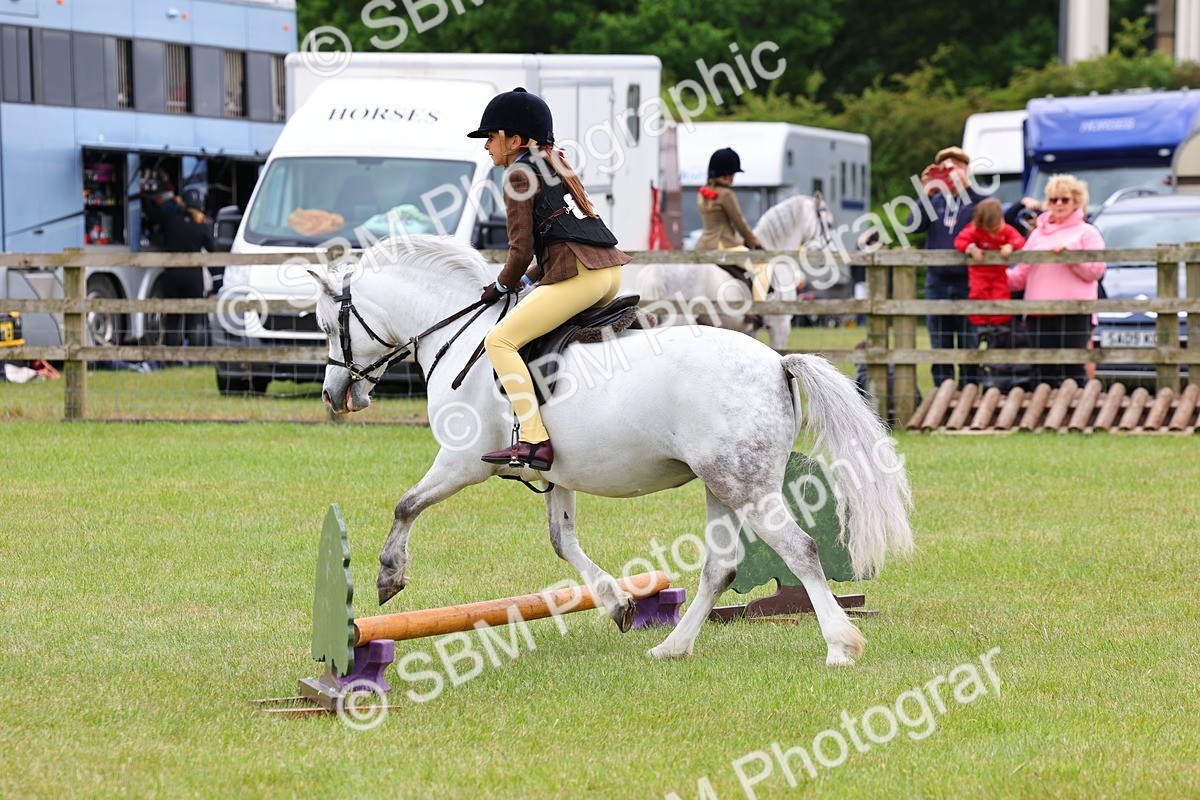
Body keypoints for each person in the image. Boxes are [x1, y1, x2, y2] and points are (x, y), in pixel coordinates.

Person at [469, 88, 630, 471]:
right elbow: (558, 238)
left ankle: (534, 440)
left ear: (515, 140)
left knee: (500, 341)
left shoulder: (517, 174)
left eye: (491, 137)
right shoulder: (555, 164)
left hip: (582, 275)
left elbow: (521, 249)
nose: (487, 145)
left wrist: (503, 285)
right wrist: (527, 281)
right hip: (608, 271)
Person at [1007, 174, 1105, 388]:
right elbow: (1021, 275)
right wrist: (994, 274)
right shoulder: (1036, 235)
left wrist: (1071, 258)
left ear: (1076, 201)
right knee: (1042, 371)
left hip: (1074, 313)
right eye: (1053, 200)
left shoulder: (1088, 233)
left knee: (1073, 369)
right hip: (1038, 314)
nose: (1059, 204)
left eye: (1065, 199)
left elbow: (1096, 271)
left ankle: (1077, 408)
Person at [908, 146, 988, 387]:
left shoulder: (975, 200)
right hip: (937, 283)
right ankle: (942, 391)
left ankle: (969, 392)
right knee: (939, 343)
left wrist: (967, 186)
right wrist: (925, 193)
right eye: (945, 169)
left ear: (966, 170)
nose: (950, 174)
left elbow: (990, 215)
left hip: (968, 282)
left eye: (956, 168)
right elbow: (912, 226)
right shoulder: (935, 200)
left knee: (969, 342)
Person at [144, 191, 215, 347]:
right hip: (193, 276)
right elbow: (212, 247)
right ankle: (194, 355)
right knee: (193, 319)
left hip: (173, 275)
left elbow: (152, 214)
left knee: (172, 318)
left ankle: (172, 356)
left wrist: (146, 198)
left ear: (183, 203)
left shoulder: (172, 219)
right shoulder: (202, 225)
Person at [954, 198, 1026, 329]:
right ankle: (980, 325)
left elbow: (1019, 240)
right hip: (979, 274)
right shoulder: (974, 230)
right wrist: (971, 248)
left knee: (1001, 295)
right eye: (990, 228)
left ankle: (999, 324)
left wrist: (1010, 245)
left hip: (999, 273)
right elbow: (960, 240)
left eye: (996, 226)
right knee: (978, 295)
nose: (994, 231)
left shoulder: (1006, 230)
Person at [695, 148, 762, 251]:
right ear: (726, 175)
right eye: (732, 174)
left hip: (703, 245)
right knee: (754, 260)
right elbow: (739, 223)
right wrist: (755, 244)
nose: (733, 178)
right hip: (723, 244)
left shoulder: (703, 192)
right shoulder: (726, 194)